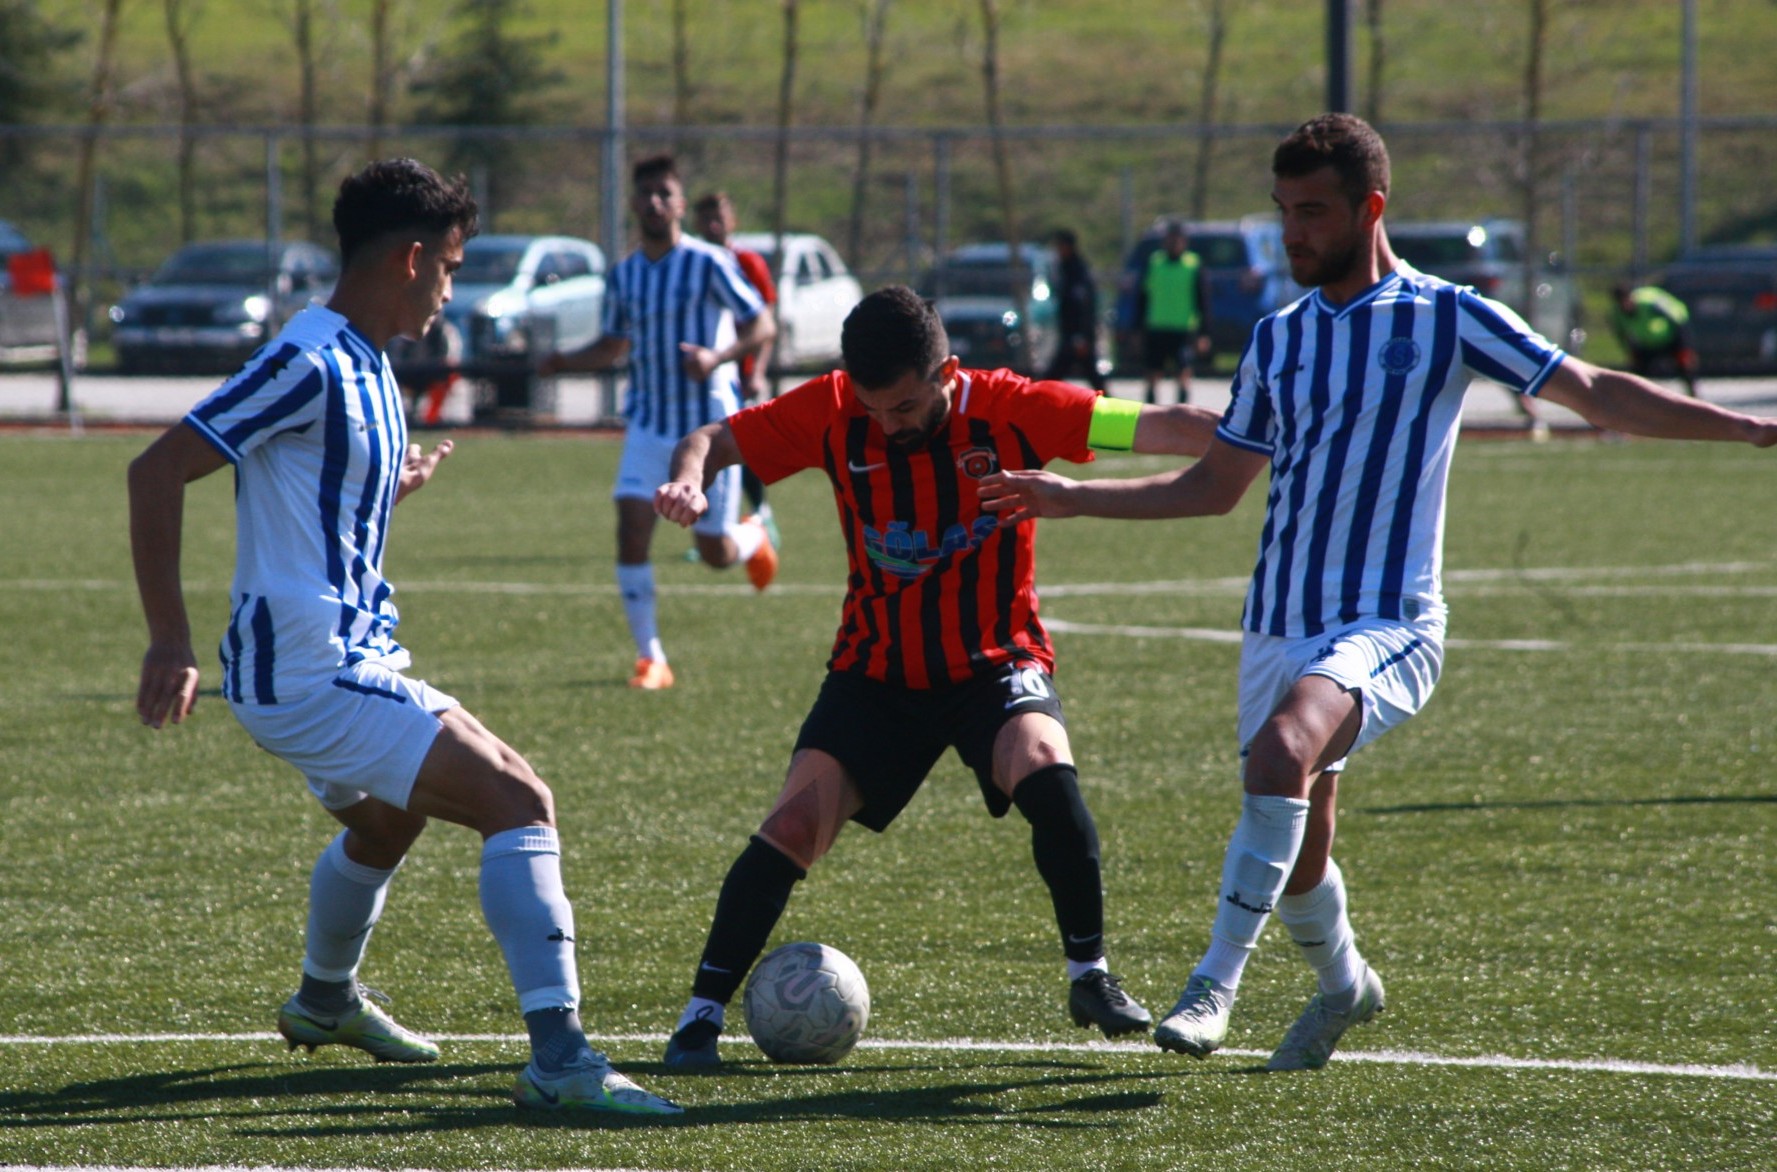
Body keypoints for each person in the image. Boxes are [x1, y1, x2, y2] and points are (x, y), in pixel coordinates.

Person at [979, 114, 1777, 1073]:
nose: (1293, 234)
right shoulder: (1276, 341)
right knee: (1302, 849)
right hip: (1278, 623)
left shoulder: (1447, 314)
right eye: (1283, 213)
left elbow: (1595, 389)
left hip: (1387, 619)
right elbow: (1215, 486)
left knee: (1282, 752)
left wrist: (1744, 428)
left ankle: (1213, 983)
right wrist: (1072, 499)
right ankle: (1344, 985)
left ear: (1371, 208)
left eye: (1312, 212)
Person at [127, 158, 681, 1115]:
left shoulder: (371, 365)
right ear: (411, 257)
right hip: (311, 667)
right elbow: (154, 470)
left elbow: (311, 490)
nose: (452, 288)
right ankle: (559, 1060)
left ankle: (323, 999)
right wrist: (169, 639)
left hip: (337, 660)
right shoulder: (308, 359)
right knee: (519, 797)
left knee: (388, 823)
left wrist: (387, 489)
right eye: (453, 268)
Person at [652, 285, 1223, 1068]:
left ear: (947, 372)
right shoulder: (830, 408)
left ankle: (1088, 973)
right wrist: (690, 479)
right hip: (875, 674)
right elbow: (711, 438)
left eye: (906, 405)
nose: (888, 423)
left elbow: (1152, 423)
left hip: (993, 663)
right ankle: (698, 1017)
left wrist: (1257, 433)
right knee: (789, 831)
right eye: (873, 408)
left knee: (1047, 771)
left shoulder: (1014, 407)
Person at [543, 155, 778, 690]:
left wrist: (717, 358)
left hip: (709, 430)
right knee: (630, 530)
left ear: (678, 202)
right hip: (649, 425)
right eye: (644, 193)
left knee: (716, 553)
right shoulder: (624, 274)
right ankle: (652, 658)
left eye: (663, 193)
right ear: (633, 203)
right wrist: (561, 362)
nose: (653, 202)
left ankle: (752, 540)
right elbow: (611, 344)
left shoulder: (709, 262)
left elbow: (761, 323)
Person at [695, 190, 782, 549]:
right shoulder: (691, 261)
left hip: (738, 375)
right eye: (707, 216)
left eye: (720, 215)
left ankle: (761, 513)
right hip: (703, 377)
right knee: (701, 449)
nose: (714, 223)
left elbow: (765, 324)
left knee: (739, 447)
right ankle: (710, 525)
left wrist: (757, 370)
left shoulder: (747, 262)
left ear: (732, 221)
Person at [1140, 219, 1212, 405]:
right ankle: (1151, 408)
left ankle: (1182, 408)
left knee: (1183, 370)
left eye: (1177, 239)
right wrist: (1136, 326)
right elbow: (1142, 296)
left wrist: (1204, 332)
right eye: (1170, 239)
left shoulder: (1193, 264)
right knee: (1153, 371)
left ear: (1183, 241)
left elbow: (1202, 300)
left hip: (1183, 327)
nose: (1173, 243)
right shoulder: (1154, 262)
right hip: (1157, 325)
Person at [1041, 228, 1106, 391]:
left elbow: (1083, 306)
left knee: (1050, 379)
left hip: (1077, 336)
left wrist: (1081, 336)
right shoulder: (1065, 268)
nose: (1057, 250)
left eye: (1059, 246)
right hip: (1070, 334)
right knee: (1091, 378)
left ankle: (1116, 413)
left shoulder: (1078, 271)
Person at [1611, 281, 1699, 397]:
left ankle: (1693, 396)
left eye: (1626, 300)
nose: (1625, 305)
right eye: (1621, 302)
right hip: (1648, 343)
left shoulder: (1649, 303)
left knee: (1685, 364)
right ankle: (1637, 398)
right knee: (1637, 368)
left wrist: (1685, 345)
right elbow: (1621, 334)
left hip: (1671, 338)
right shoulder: (1618, 313)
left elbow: (1678, 319)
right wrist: (1631, 351)